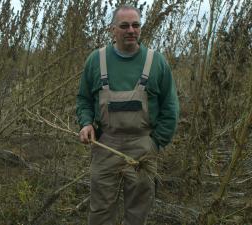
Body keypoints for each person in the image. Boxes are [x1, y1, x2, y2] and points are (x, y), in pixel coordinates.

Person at [76, 5, 179, 225]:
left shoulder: (157, 62)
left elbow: (170, 108)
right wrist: (86, 124)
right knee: (100, 213)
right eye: (124, 26)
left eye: (136, 25)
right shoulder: (95, 60)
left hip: (143, 149)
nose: (131, 30)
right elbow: (84, 99)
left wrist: (155, 143)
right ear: (113, 29)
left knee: (137, 213)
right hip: (105, 145)